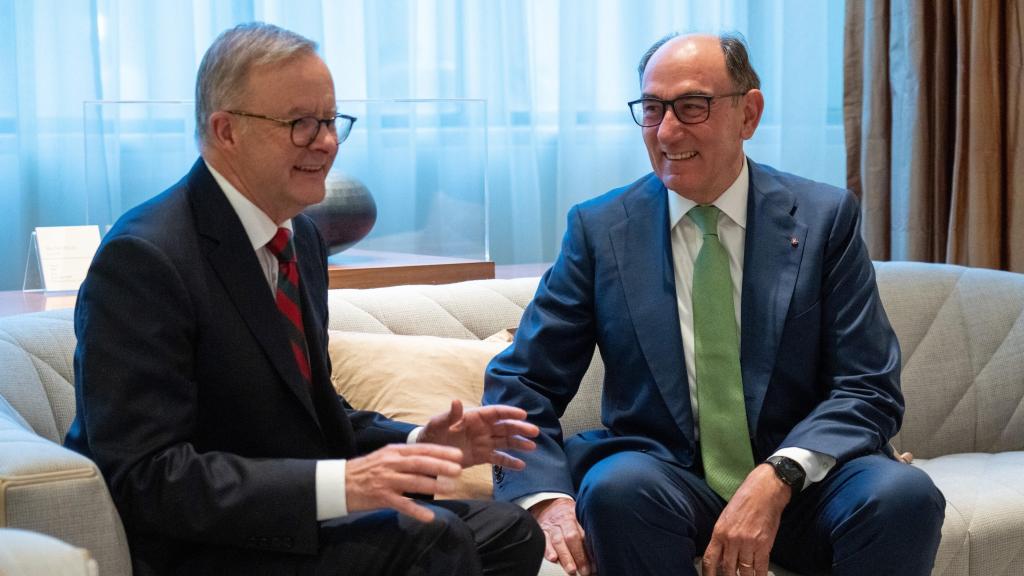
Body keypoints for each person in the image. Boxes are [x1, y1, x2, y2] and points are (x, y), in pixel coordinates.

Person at [65, 22, 544, 576]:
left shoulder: (302, 237)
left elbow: (313, 412)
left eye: (331, 120)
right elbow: (147, 476)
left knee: (510, 533)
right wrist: (342, 484)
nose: (327, 142)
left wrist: (418, 441)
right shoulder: (146, 258)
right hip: (203, 543)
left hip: (295, 520)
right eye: (301, 123)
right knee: (433, 541)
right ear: (226, 131)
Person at [483, 32, 945, 576]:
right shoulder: (602, 229)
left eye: (692, 107)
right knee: (615, 488)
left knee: (903, 494)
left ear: (748, 114)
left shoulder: (824, 218)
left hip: (803, 485)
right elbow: (525, 382)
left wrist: (778, 476)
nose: (668, 130)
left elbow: (867, 385)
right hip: (664, 483)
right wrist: (544, 498)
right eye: (652, 109)